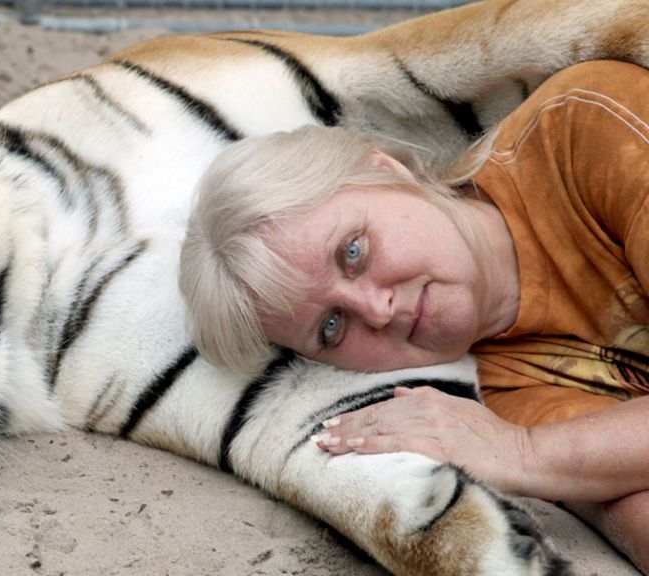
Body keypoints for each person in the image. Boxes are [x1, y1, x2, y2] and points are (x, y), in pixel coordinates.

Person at [178, 60, 649, 573]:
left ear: (389, 174)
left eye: (352, 252)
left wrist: (529, 455)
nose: (376, 309)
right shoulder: (500, 395)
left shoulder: (588, 129)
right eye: (331, 328)